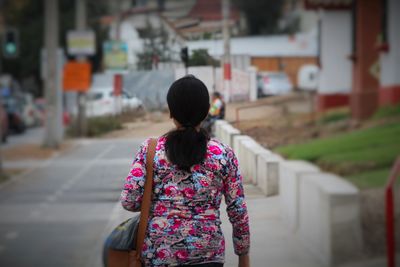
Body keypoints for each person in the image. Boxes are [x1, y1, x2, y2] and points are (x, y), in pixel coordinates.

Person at [121, 75, 250, 267]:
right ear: (206, 111)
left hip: (159, 254)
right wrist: (243, 256)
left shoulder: (150, 151)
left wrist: (162, 205)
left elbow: (129, 201)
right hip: (208, 255)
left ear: (171, 112)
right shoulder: (224, 154)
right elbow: (238, 210)